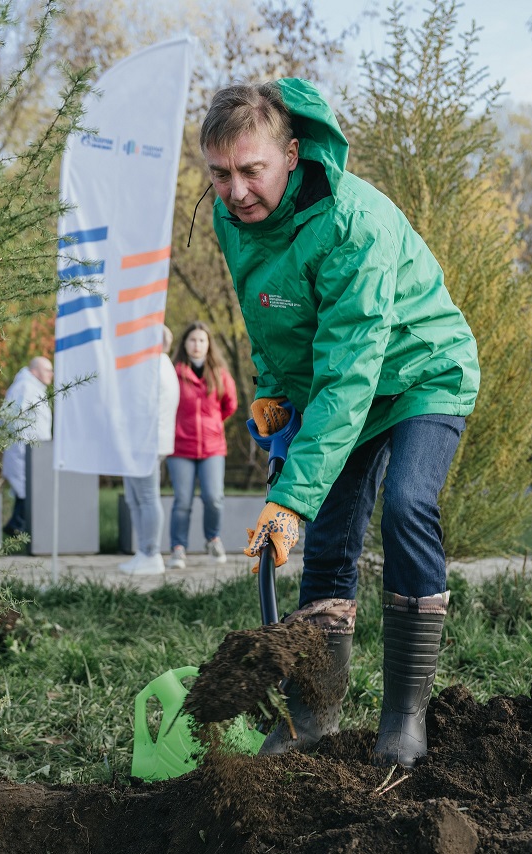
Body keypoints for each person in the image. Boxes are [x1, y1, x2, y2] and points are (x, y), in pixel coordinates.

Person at [201, 79, 479, 767]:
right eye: (220, 173)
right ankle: (312, 719)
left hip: (420, 374)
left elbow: (351, 374)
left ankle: (404, 718)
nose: (235, 190)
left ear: (291, 155)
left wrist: (291, 496)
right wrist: (272, 401)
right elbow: (270, 324)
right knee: (328, 538)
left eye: (250, 170)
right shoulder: (232, 220)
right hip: (339, 389)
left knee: (408, 505)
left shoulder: (353, 223)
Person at [166, 322, 238, 569]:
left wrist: (213, 425)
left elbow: (230, 405)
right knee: (182, 500)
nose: (197, 345)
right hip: (180, 447)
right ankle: (178, 548)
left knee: (214, 497)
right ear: (185, 344)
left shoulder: (220, 373)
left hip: (212, 447)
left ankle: (213, 539)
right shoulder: (173, 372)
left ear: (209, 345)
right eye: (192, 340)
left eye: (202, 340)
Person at [119, 327, 180, 575]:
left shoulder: (155, 366)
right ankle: (143, 551)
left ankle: (151, 552)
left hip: (145, 442)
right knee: (135, 498)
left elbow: (139, 404)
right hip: (142, 440)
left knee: (145, 497)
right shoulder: (159, 365)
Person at [0, 356, 53, 540]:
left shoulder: (35, 389)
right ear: (35, 370)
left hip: (36, 452)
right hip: (23, 451)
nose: (51, 375)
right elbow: (9, 416)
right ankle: (17, 528)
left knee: (29, 491)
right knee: (26, 491)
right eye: (48, 370)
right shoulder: (24, 387)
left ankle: (19, 529)